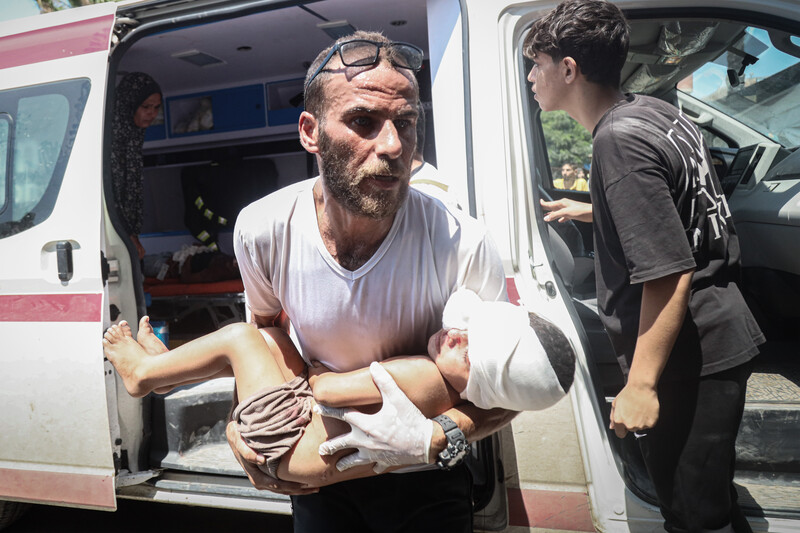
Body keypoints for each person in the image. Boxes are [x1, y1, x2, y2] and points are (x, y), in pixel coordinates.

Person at [228, 30, 517, 532]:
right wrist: (246, 424)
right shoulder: (263, 229)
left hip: (425, 481)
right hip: (324, 472)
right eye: (363, 122)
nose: (392, 145)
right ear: (309, 131)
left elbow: (508, 387)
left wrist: (441, 434)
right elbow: (266, 334)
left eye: (405, 124)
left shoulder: (461, 242)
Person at [526, 2, 764, 531]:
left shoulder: (617, 140)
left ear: (568, 69)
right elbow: (680, 204)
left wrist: (640, 384)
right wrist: (596, 208)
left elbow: (668, 273)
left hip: (688, 353)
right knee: (707, 492)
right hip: (719, 331)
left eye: (537, 63)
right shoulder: (653, 112)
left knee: (693, 514)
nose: (530, 76)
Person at [102, 291, 574, 487]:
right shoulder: (456, 397)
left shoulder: (422, 375)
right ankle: (165, 369)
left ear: (481, 381)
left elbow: (326, 390)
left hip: (286, 437)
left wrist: (321, 363)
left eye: (468, 348)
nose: (454, 334)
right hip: (297, 450)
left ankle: (142, 376)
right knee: (269, 341)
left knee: (244, 337)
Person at [111, 72, 162, 260]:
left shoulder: (133, 137)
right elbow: (113, 192)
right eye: (146, 107)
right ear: (130, 104)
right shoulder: (112, 138)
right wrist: (128, 235)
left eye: (156, 107)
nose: (152, 113)